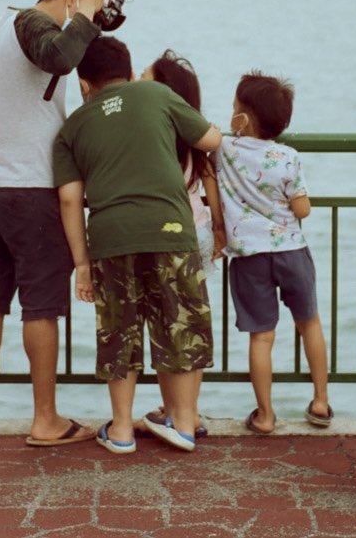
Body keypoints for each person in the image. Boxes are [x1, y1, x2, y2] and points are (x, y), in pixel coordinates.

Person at [0, 0, 105, 446]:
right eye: (77, 7)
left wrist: (93, 19)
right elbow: (60, 55)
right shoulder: (32, 24)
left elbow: (63, 49)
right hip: (33, 188)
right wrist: (84, 10)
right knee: (41, 306)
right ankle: (46, 420)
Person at [53, 36, 222, 454]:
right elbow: (211, 140)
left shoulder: (71, 128)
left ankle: (123, 430)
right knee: (178, 325)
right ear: (129, 73)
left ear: (83, 83)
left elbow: (71, 198)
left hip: (111, 239)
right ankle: (183, 423)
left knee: (119, 332)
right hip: (170, 231)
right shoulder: (156, 93)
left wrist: (81, 263)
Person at [213, 71, 332, 434]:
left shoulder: (223, 149)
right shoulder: (288, 156)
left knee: (261, 336)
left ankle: (264, 415)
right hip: (291, 252)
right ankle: (321, 402)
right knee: (308, 322)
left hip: (249, 257)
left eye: (234, 108)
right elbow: (303, 209)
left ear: (242, 119)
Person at [138, 49, 223, 439]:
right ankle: (189, 410)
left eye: (145, 76)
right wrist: (220, 230)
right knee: (191, 321)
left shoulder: (151, 134)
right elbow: (210, 184)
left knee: (165, 321)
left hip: (170, 237)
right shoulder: (194, 137)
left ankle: (174, 411)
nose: (138, 80)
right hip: (201, 232)